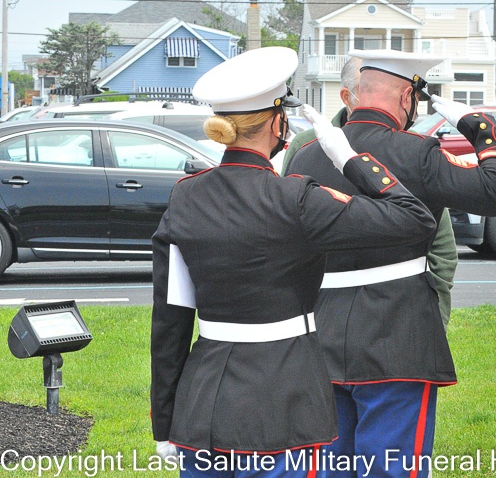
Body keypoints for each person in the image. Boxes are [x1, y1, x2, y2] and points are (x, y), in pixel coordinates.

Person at [150, 46, 437, 477]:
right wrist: (350, 159)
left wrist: (164, 421)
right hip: (286, 399)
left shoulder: (185, 196)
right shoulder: (297, 199)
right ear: (277, 122)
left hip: (202, 402)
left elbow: (170, 321)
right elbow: (414, 218)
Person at [285, 48, 496, 477]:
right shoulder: (417, 153)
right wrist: (478, 125)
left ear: (356, 94)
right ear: (407, 97)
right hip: (397, 334)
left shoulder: (306, 157)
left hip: (319, 332)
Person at [283, 56, 459, 330]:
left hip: (401, 313)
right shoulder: (306, 146)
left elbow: (442, 247)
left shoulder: (412, 149)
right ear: (347, 96)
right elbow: (290, 231)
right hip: (324, 311)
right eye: (367, 89)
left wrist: (435, 315)